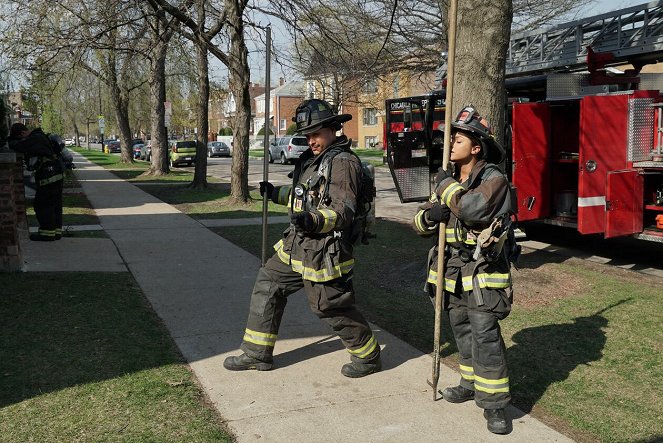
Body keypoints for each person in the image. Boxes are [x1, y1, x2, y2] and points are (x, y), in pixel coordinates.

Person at [224, 99, 381, 378]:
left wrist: (313, 219)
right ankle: (256, 353)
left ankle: (367, 356)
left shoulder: (343, 163)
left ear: (333, 129)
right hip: (297, 244)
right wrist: (275, 193)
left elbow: (342, 211)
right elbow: (303, 196)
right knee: (268, 283)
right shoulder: (313, 161)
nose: (311, 140)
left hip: (325, 250)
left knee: (328, 306)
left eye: (316, 134)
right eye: (307, 135)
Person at [412, 106, 514, 434]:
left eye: (457, 139)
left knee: (485, 335)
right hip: (453, 270)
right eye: (450, 139)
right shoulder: (450, 180)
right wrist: (432, 217)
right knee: (462, 330)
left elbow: (472, 209)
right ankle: (470, 383)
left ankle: (495, 405)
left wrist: (446, 190)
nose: (450, 143)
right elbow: (418, 222)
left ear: (476, 147)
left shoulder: (494, 178)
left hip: (483, 270)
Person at [9, 123, 64, 241]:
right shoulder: (40, 136)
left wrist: (10, 141)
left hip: (48, 177)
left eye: (21, 137)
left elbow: (18, 146)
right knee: (55, 205)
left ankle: (47, 234)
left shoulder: (35, 139)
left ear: (22, 133)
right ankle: (56, 232)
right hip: (56, 175)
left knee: (42, 204)